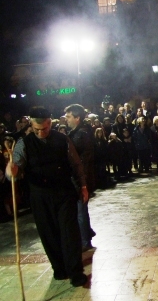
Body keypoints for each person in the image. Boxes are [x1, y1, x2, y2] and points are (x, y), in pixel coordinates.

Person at [6, 107, 88, 287]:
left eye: (44, 129)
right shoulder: (24, 143)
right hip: (39, 195)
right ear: (31, 125)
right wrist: (12, 170)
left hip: (64, 192)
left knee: (69, 232)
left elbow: (76, 164)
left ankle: (75, 271)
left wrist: (82, 186)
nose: (40, 133)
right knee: (48, 233)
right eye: (36, 130)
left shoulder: (62, 139)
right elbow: (15, 168)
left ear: (50, 123)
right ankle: (59, 268)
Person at [65, 104, 96, 252]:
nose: (66, 119)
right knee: (81, 209)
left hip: (81, 178)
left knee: (80, 210)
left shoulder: (80, 135)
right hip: (81, 177)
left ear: (77, 118)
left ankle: (84, 241)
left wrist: (80, 180)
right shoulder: (77, 133)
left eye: (69, 116)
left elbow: (79, 159)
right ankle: (87, 234)